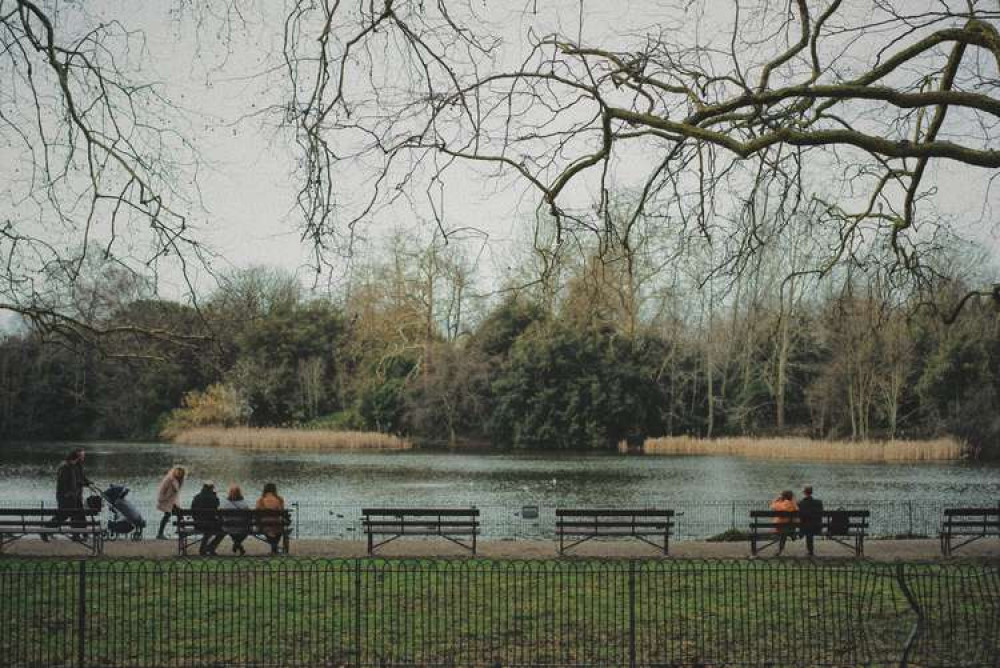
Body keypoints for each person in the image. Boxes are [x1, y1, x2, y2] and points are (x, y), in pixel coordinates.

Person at [43, 448, 91, 541]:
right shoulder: (65, 467)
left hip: (76, 496)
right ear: (77, 456)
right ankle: (45, 531)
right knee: (63, 516)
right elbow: (63, 483)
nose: (84, 457)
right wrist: (67, 493)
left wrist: (87, 482)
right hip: (66, 497)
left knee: (80, 515)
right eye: (82, 455)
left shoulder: (78, 466)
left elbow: (81, 478)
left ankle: (81, 535)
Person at [191, 481, 223, 556]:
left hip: (198, 524)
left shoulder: (197, 497)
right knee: (222, 531)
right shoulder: (214, 498)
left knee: (208, 529)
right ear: (212, 488)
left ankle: (204, 548)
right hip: (211, 525)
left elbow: (193, 512)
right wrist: (215, 496)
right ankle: (210, 547)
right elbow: (216, 511)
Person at [155, 466, 186, 539]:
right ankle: (160, 534)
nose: (179, 474)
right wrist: (162, 499)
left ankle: (180, 531)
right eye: (178, 472)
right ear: (174, 471)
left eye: (181, 473)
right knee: (169, 515)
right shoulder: (169, 479)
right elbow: (162, 489)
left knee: (177, 514)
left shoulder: (180, 480)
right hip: (166, 500)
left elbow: (176, 493)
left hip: (172, 501)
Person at [219, 484, 250, 556]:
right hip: (242, 528)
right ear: (240, 493)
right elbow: (248, 518)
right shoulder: (244, 504)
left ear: (229, 493)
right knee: (247, 529)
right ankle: (237, 543)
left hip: (228, 528)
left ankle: (237, 543)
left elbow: (221, 516)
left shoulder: (225, 504)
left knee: (231, 529)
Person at [255, 482, 286, 555]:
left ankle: (274, 549)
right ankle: (274, 549)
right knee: (277, 527)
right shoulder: (280, 499)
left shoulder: (261, 500)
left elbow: (257, 513)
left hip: (265, 525)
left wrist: (257, 524)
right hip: (277, 525)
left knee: (267, 525)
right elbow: (282, 511)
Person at [770, 490, 798, 555]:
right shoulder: (793, 504)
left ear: (783, 497)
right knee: (789, 524)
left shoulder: (781, 504)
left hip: (780, 527)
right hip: (789, 527)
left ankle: (780, 550)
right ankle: (792, 533)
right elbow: (796, 509)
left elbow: (772, 506)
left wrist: (776, 500)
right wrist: (793, 501)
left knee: (783, 529)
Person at [798, 485, 824, 557]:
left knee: (807, 526)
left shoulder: (801, 503)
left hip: (805, 528)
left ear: (804, 493)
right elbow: (821, 514)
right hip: (817, 526)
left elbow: (800, 516)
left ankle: (810, 551)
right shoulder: (819, 502)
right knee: (809, 525)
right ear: (812, 492)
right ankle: (810, 551)